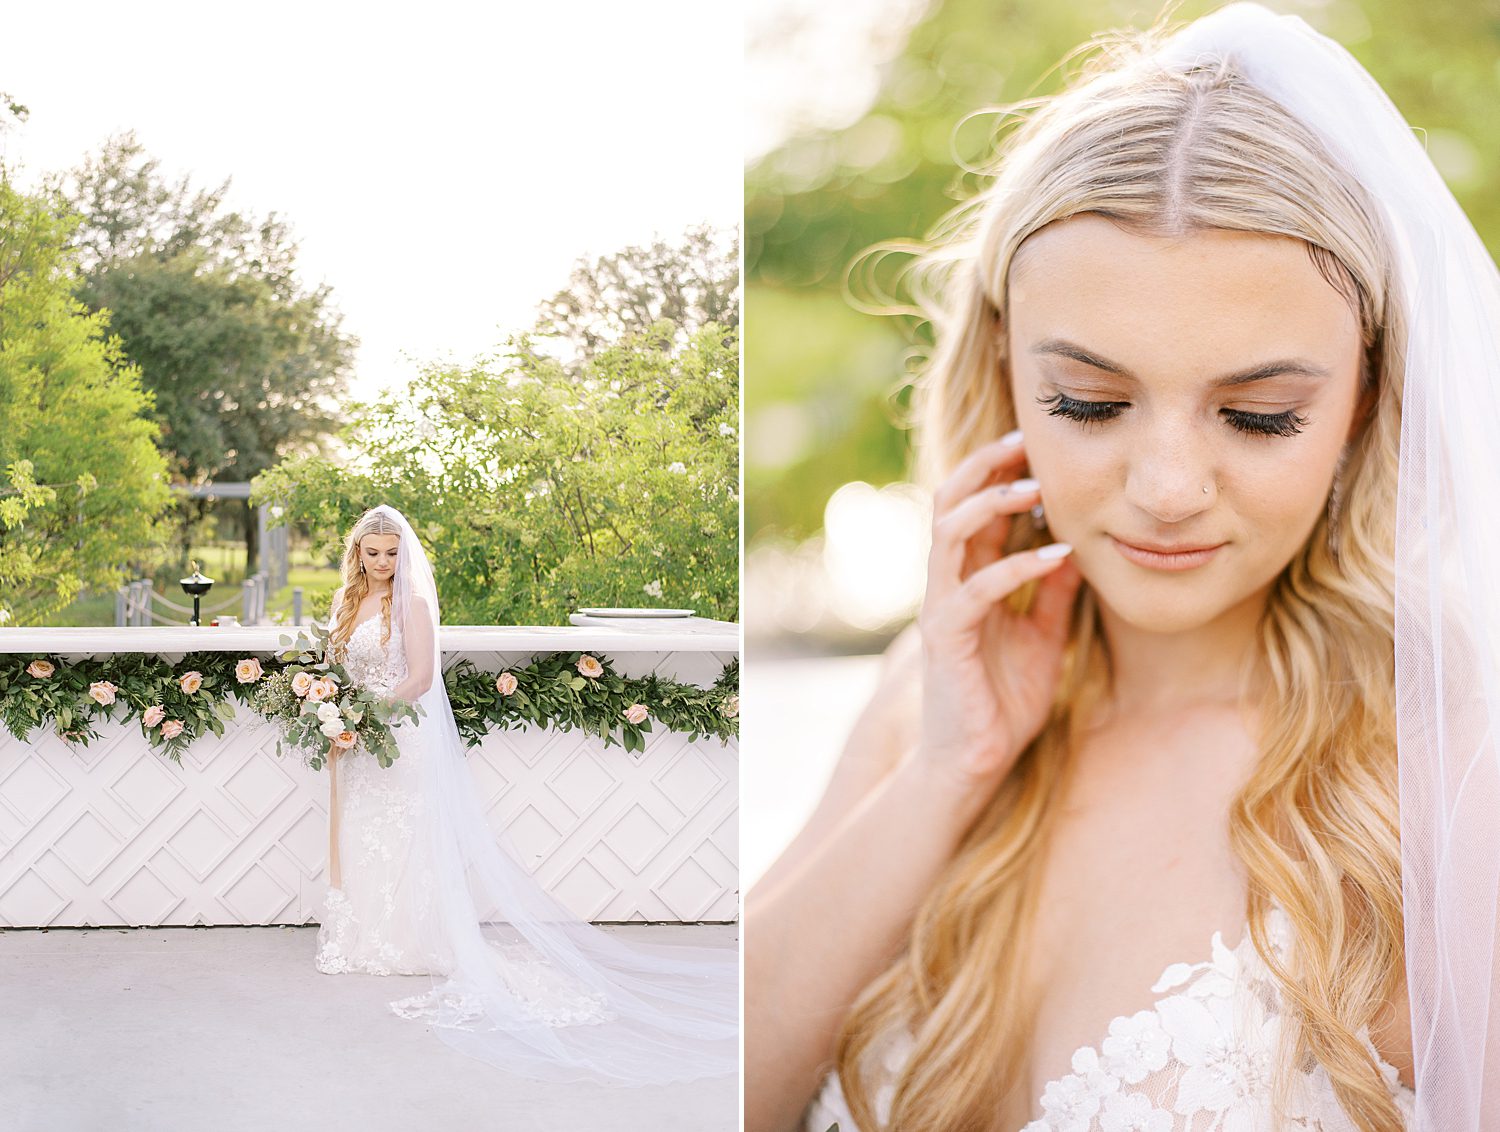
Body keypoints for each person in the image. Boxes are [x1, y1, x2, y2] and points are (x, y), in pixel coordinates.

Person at [746, 5, 1500, 1131]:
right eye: (1088, 403)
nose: (1167, 487)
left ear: (1363, 403)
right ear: (1004, 373)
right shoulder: (928, 702)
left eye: (1257, 416)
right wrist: (947, 774)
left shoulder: (1446, 756)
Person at [310, 504, 738, 1087]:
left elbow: (420, 678)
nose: (383, 562)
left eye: (391, 552)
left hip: (398, 732)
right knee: (363, 829)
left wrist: (370, 710)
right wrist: (332, 708)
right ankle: (363, 935)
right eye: (373, 552)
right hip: (356, 738)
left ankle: (408, 939)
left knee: (405, 830)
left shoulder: (410, 601)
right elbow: (334, 669)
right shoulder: (342, 604)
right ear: (356, 552)